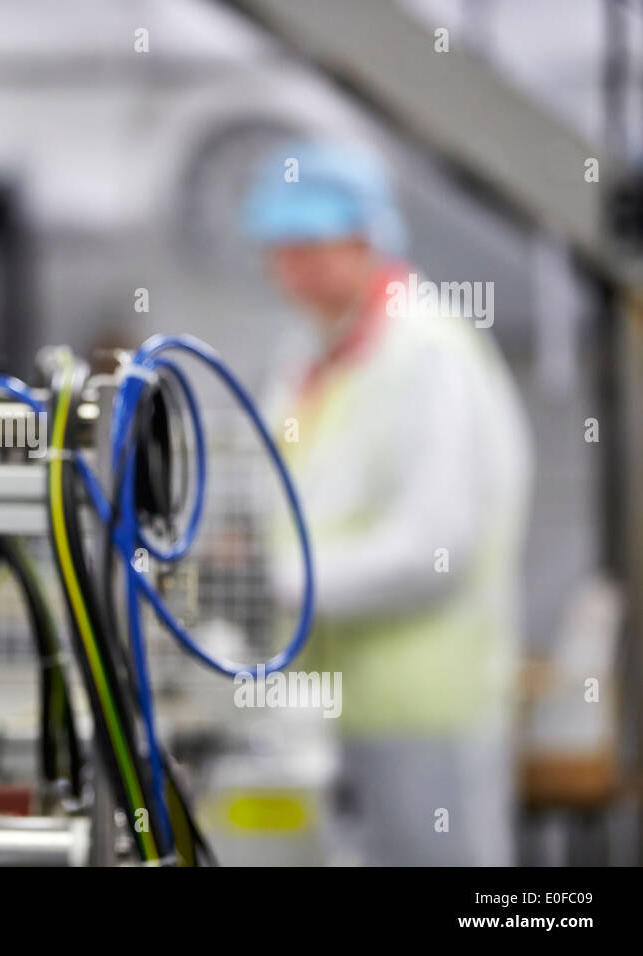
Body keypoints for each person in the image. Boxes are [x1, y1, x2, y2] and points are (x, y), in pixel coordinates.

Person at [242, 139, 532, 865]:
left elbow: (436, 548)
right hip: (329, 703)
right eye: (280, 246)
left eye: (313, 243)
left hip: (423, 703)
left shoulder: (428, 353)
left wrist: (277, 579)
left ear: (369, 236)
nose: (293, 266)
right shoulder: (310, 355)